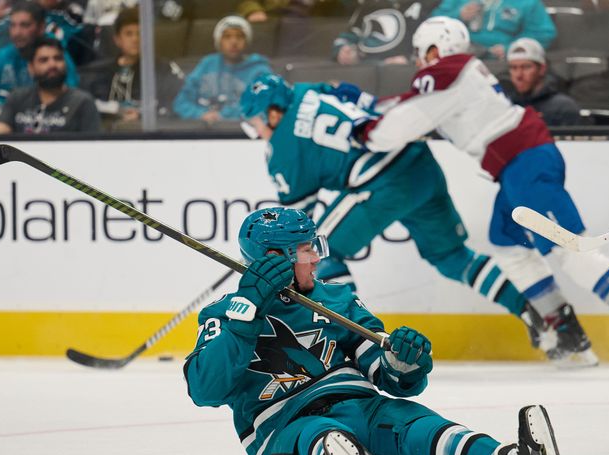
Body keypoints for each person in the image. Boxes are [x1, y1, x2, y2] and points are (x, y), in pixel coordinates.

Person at [355, 16, 609, 372]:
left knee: (570, 249)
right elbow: (411, 105)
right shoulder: (456, 77)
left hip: (525, 162)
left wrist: (365, 129)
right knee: (507, 243)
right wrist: (367, 107)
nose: (419, 61)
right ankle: (567, 333)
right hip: (515, 168)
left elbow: (403, 119)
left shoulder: (448, 70)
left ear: (436, 49)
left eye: (422, 53)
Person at [183, 206, 569, 455]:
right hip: (283, 427)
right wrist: (247, 313)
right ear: (275, 258)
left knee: (417, 427)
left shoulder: (337, 299)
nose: (317, 258)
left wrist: (403, 363)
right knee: (317, 437)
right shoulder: (225, 313)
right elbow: (205, 389)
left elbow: (388, 375)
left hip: (365, 410)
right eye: (306, 250)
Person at [239, 73, 567, 365]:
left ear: (272, 113)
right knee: (452, 256)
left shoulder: (282, 149)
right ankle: (530, 311)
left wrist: (270, 255)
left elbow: (298, 226)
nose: (257, 132)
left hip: (383, 182)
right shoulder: (308, 89)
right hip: (419, 163)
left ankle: (353, 341)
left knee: (321, 253)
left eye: (255, 123)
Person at [172, 15, 271, 124]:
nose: (234, 42)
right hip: (203, 131)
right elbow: (181, 102)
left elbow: (263, 108)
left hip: (240, 135)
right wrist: (200, 114)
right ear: (219, 41)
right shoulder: (207, 64)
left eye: (239, 37)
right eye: (227, 36)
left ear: (247, 41)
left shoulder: (260, 71)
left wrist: (223, 116)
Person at [0, 35, 101, 133]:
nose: (52, 64)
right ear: (31, 68)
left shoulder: (82, 102)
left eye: (58, 58)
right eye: (44, 60)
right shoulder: (17, 98)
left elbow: (91, 148)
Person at [0, 1, 79, 103]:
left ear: (41, 27)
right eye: (13, 25)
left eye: (25, 25)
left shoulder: (56, 56)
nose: (17, 32)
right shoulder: (3, 56)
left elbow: (72, 96)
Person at [430, 0, 556, 60]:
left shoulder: (527, 3)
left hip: (503, 63)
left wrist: (511, 48)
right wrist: (458, 15)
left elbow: (544, 34)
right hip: (460, 58)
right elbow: (432, 23)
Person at [503, 37, 582, 126]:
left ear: (542, 69)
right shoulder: (505, 106)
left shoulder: (563, 108)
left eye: (526, 67)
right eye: (513, 68)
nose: (519, 75)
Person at [334, 0, 440, 65]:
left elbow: (438, 43)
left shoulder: (427, 4)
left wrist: (411, 60)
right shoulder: (369, 5)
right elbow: (346, 38)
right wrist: (343, 50)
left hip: (406, 71)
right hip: (366, 69)